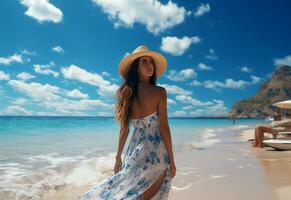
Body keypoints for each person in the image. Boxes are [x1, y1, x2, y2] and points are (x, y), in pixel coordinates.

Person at [81, 45, 176, 200]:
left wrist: (119, 156)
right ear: (136, 67)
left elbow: (124, 129)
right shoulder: (159, 92)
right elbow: (164, 128)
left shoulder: (126, 93)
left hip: (135, 150)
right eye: (144, 61)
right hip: (156, 151)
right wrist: (172, 160)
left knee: (126, 190)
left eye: (150, 62)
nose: (149, 65)